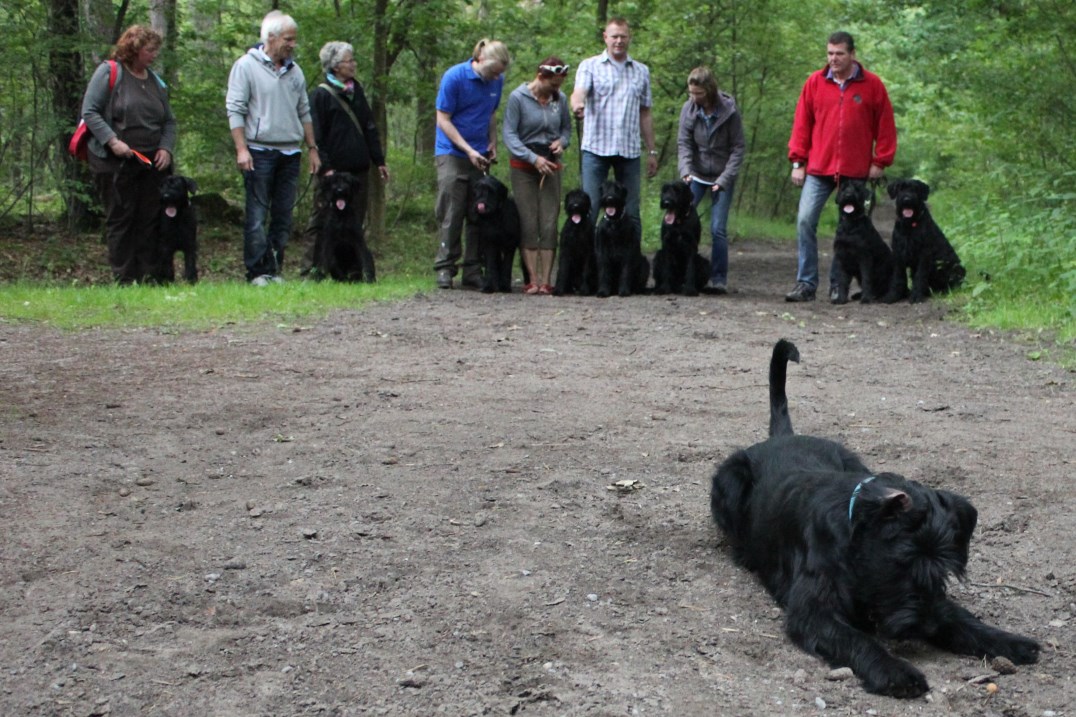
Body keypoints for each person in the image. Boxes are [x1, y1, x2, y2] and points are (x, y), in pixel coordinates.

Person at [785, 31, 896, 302]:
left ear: (852, 54)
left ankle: (839, 286)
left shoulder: (872, 85)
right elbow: (802, 124)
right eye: (830, 53)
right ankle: (806, 283)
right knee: (804, 220)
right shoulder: (814, 83)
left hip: (855, 171)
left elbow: (885, 127)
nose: (833, 59)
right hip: (819, 168)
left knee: (852, 233)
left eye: (839, 54)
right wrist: (798, 161)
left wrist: (880, 160)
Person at [226, 11, 321, 286]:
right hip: (258, 151)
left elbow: (304, 111)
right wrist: (241, 149)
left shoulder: (296, 71)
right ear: (271, 37)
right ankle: (256, 272)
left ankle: (275, 268)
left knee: (283, 216)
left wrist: (312, 148)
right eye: (288, 39)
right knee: (256, 216)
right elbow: (235, 109)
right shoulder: (245, 66)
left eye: (294, 40)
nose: (293, 44)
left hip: (290, 152)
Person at [81, 25, 177, 284]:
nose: (154, 54)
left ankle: (148, 275)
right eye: (149, 50)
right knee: (121, 218)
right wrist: (112, 141)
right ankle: (123, 277)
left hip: (150, 162)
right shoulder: (110, 73)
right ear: (134, 49)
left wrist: (165, 148)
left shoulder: (155, 81)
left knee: (149, 218)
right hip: (114, 161)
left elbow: (169, 121)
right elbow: (90, 112)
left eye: (156, 50)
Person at [303, 41, 390, 278]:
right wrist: (325, 167)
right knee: (321, 220)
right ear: (334, 66)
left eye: (353, 60)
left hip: (358, 171)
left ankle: (353, 270)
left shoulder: (356, 90)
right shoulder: (320, 95)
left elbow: (369, 126)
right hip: (332, 172)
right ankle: (312, 268)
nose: (353, 64)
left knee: (354, 224)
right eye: (348, 61)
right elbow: (317, 134)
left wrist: (378, 159)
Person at [570, 17, 658, 238]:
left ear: (629, 38)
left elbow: (645, 112)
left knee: (631, 211)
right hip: (596, 148)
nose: (619, 41)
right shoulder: (589, 66)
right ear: (605, 38)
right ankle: (589, 268)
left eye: (623, 37)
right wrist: (577, 104)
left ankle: (632, 268)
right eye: (614, 36)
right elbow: (579, 92)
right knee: (589, 208)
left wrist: (652, 150)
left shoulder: (641, 71)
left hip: (628, 150)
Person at [433, 39, 510, 289]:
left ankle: (473, 269)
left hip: (479, 153)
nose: (497, 76)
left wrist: (492, 143)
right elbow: (443, 119)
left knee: (480, 212)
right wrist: (467, 150)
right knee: (452, 211)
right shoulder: (454, 77)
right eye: (494, 70)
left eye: (500, 73)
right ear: (481, 60)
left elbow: (490, 113)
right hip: (452, 152)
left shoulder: (496, 82)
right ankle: (445, 267)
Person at [502, 56, 572, 295]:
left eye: (560, 85)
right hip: (524, 167)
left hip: (551, 166)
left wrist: (561, 143)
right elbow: (509, 136)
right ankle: (532, 279)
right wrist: (532, 158)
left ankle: (546, 280)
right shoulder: (517, 98)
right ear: (540, 77)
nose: (557, 89)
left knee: (550, 222)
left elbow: (566, 130)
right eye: (553, 84)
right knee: (528, 221)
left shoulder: (559, 100)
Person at [676, 66, 745, 294]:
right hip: (696, 173)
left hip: (722, 174)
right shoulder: (689, 109)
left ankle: (718, 278)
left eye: (699, 94)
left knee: (717, 228)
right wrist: (686, 170)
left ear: (710, 90)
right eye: (691, 93)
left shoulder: (729, 111)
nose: (694, 98)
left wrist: (724, 179)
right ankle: (679, 273)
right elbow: (684, 143)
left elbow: (737, 148)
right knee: (680, 221)